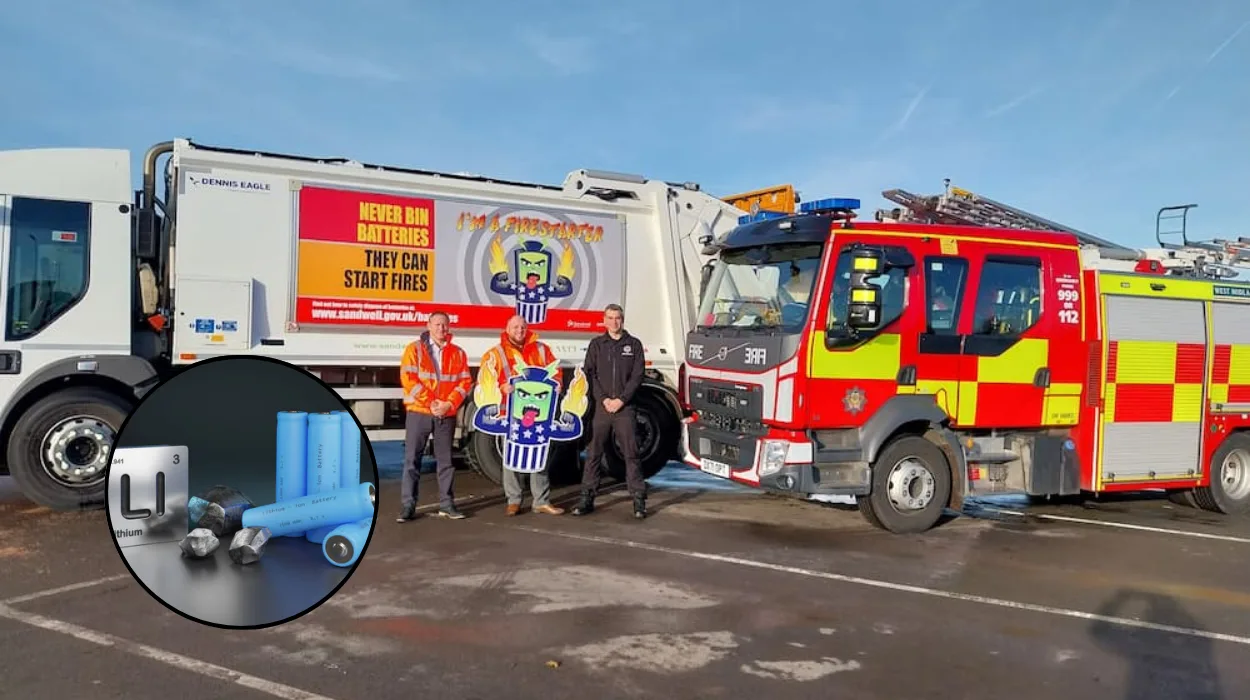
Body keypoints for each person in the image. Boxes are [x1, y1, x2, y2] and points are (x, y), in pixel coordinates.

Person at [481, 314, 566, 516]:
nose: (520, 330)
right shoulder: (495, 353)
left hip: (539, 414)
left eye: (523, 327)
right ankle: (514, 500)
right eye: (515, 327)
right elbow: (485, 381)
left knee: (539, 455)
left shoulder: (541, 349)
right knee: (511, 458)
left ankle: (541, 501)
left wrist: (557, 385)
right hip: (510, 415)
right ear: (507, 328)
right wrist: (502, 388)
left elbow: (556, 372)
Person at [571, 303, 648, 519]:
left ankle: (639, 500)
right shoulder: (597, 344)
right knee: (594, 452)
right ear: (604, 320)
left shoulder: (634, 345)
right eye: (610, 318)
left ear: (623, 320)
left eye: (618, 318)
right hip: (602, 408)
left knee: (631, 453)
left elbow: (637, 376)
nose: (614, 322)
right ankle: (587, 497)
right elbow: (590, 375)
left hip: (625, 408)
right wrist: (604, 399)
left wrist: (621, 400)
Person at [397, 311, 472, 522]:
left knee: (445, 461)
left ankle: (447, 505)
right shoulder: (414, 350)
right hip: (420, 411)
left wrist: (448, 403)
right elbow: (408, 379)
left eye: (445, 325)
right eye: (437, 324)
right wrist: (431, 402)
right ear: (428, 325)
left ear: (449, 328)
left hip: (445, 413)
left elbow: (465, 382)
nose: (441, 328)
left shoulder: (458, 353)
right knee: (412, 460)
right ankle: (407, 506)